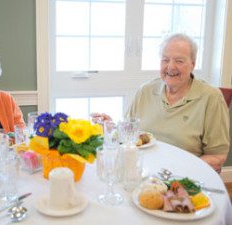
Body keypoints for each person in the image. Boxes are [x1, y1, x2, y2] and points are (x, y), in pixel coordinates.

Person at [93, 33, 229, 172]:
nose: (170, 67)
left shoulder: (211, 97)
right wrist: (110, 127)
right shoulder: (146, 91)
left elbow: (217, 156)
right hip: (142, 172)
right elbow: (129, 134)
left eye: (179, 61)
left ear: (192, 64)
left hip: (183, 177)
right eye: (165, 60)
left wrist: (178, 172)